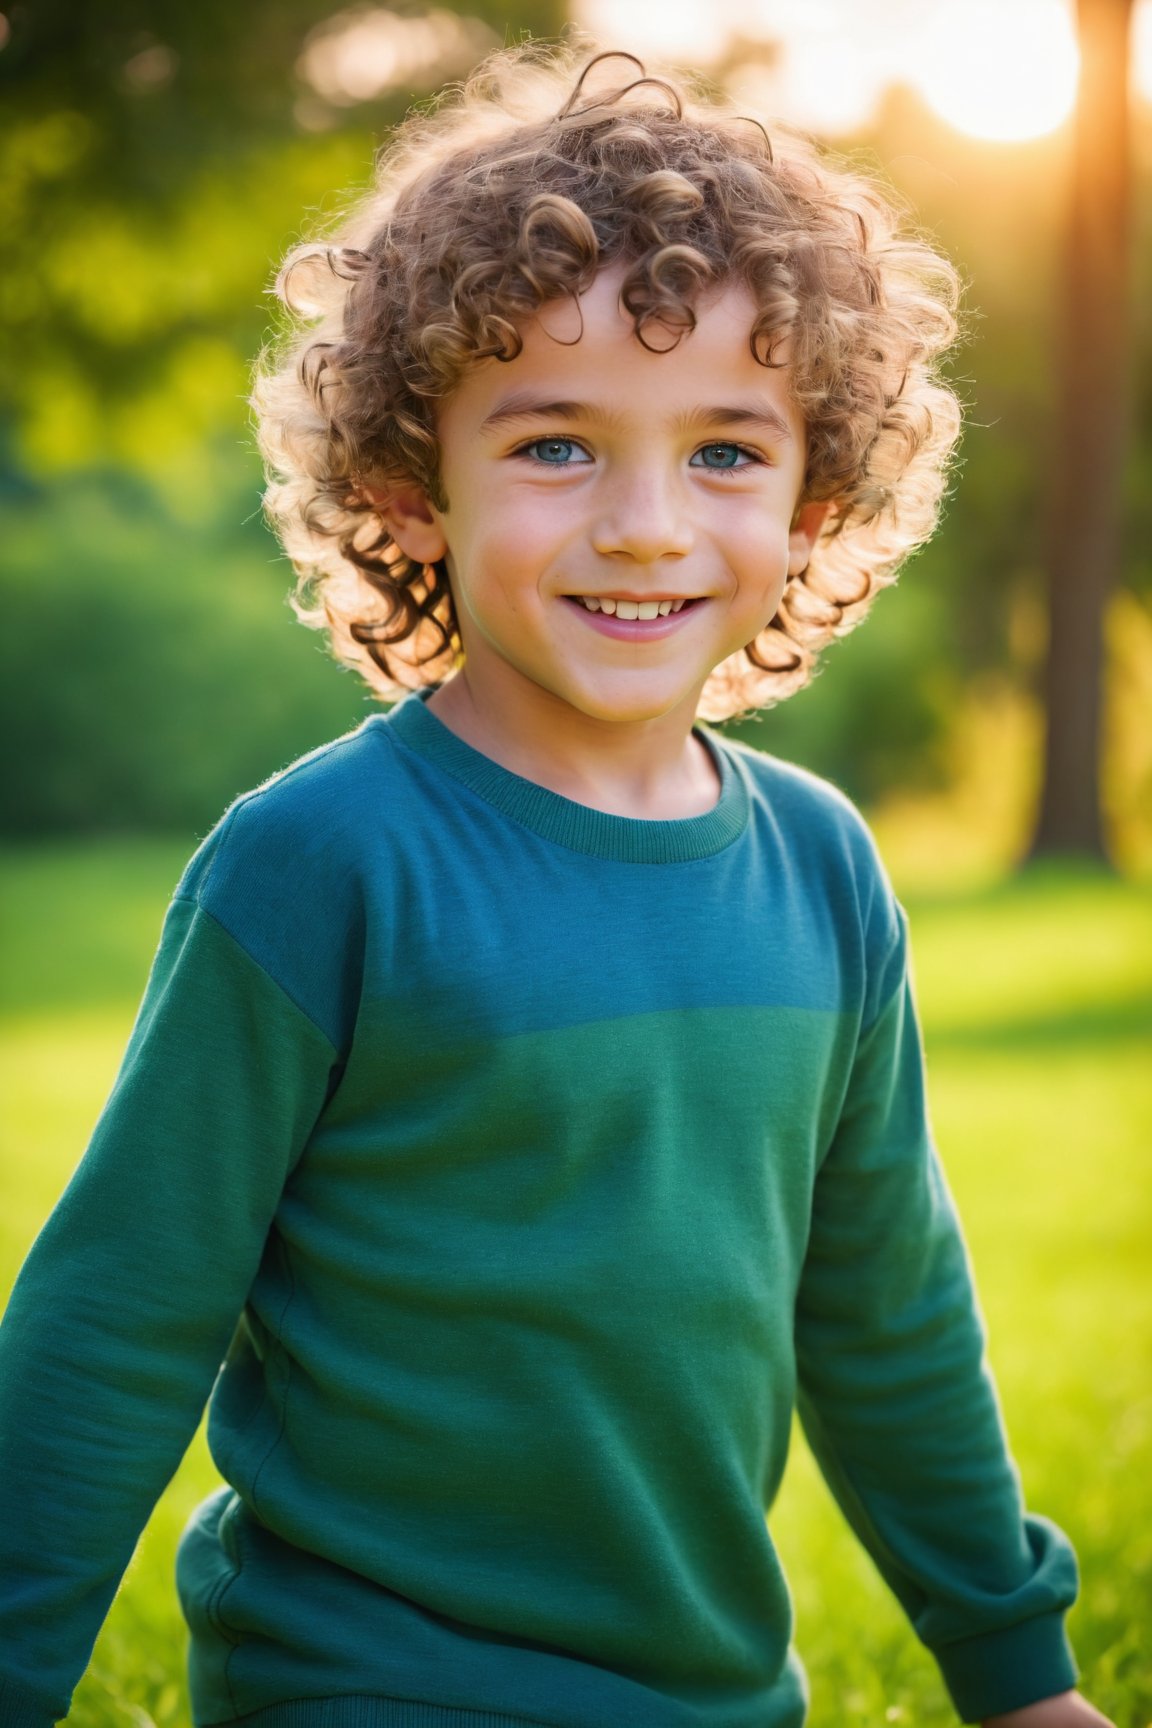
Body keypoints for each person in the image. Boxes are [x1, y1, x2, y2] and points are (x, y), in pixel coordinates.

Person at [0, 42, 1114, 1728]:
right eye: (558, 447)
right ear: (407, 483)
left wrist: (1021, 1684)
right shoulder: (323, 865)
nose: (650, 526)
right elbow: (115, 1325)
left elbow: (886, 1311)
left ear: (816, 500)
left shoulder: (820, 867)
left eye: (726, 455)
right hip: (364, 1688)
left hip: (720, 1695)